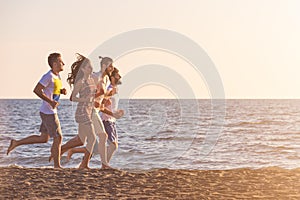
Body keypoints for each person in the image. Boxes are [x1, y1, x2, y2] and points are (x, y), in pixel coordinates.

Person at [6, 53, 66, 168]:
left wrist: (61, 91)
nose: (63, 63)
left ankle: (16, 143)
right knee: (58, 138)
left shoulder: (57, 76)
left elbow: (52, 90)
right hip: (49, 112)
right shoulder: (48, 76)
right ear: (54, 64)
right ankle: (57, 166)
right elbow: (37, 90)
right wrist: (50, 102)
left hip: (48, 111)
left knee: (43, 138)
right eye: (60, 61)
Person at [67, 68, 123, 165]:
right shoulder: (108, 89)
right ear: (112, 77)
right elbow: (100, 105)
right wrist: (112, 113)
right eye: (117, 75)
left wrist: (116, 112)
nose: (120, 77)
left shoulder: (113, 89)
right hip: (105, 120)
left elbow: (108, 106)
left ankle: (78, 156)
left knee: (95, 146)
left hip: (111, 120)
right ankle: (104, 165)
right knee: (112, 145)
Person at [58, 54, 97, 169]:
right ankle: (84, 164)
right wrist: (84, 99)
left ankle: (60, 150)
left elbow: (92, 95)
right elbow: (72, 97)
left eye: (91, 67)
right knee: (93, 138)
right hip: (82, 112)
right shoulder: (80, 81)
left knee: (80, 140)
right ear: (84, 69)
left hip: (89, 111)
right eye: (89, 67)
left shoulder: (91, 80)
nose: (91, 69)